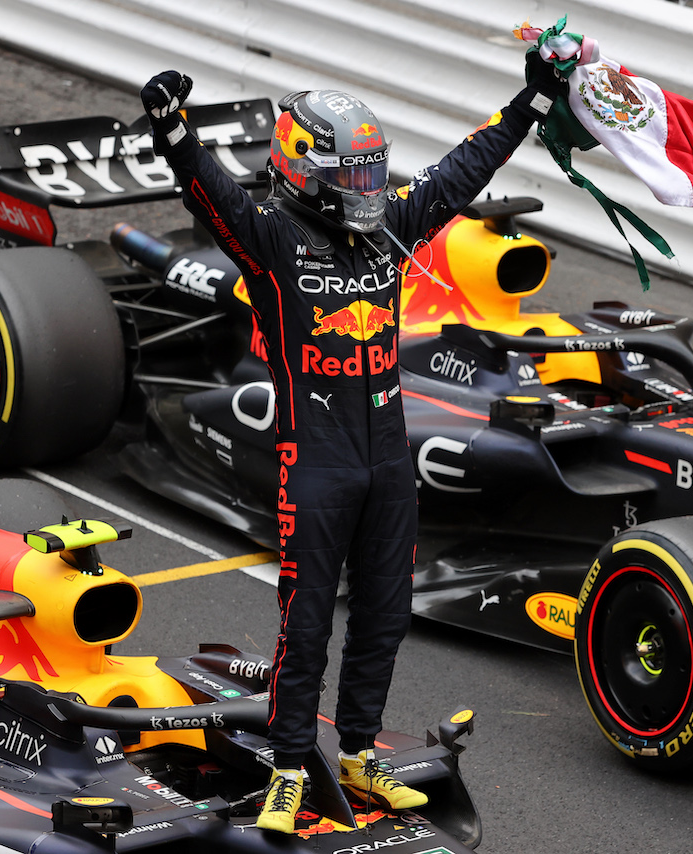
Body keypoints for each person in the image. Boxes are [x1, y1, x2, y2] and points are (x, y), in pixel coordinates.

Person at [140, 58, 567, 834]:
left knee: (386, 613)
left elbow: (460, 173)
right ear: (306, 172)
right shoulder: (269, 240)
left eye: (375, 171)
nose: (371, 187)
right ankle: (289, 763)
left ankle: (360, 752)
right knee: (304, 625)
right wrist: (173, 129)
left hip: (388, 466)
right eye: (356, 173)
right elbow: (211, 190)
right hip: (318, 466)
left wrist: (532, 99)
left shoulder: (390, 233)